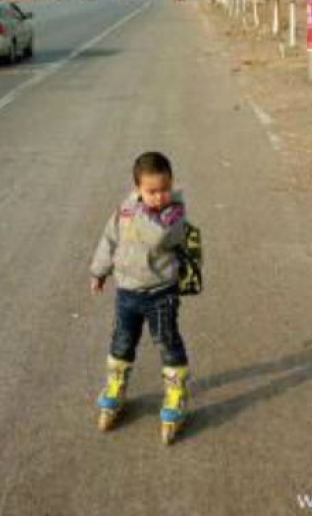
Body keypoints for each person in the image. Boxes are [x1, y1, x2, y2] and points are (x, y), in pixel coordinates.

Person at [90, 151, 190, 443]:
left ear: (171, 184)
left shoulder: (174, 213)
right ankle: (115, 385)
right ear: (137, 189)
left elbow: (157, 236)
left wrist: (137, 210)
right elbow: (110, 238)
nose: (159, 196)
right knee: (121, 340)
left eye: (164, 189)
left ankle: (175, 393)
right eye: (151, 191)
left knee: (167, 342)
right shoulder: (126, 209)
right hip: (127, 291)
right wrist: (99, 271)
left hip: (161, 293)